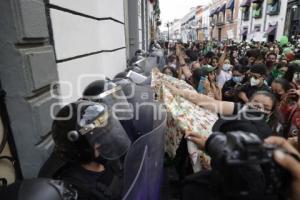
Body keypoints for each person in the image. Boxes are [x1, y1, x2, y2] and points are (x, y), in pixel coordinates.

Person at [51, 100, 131, 200]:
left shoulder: (107, 159)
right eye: (97, 135)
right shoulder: (80, 189)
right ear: (79, 144)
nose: (105, 137)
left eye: (104, 131)